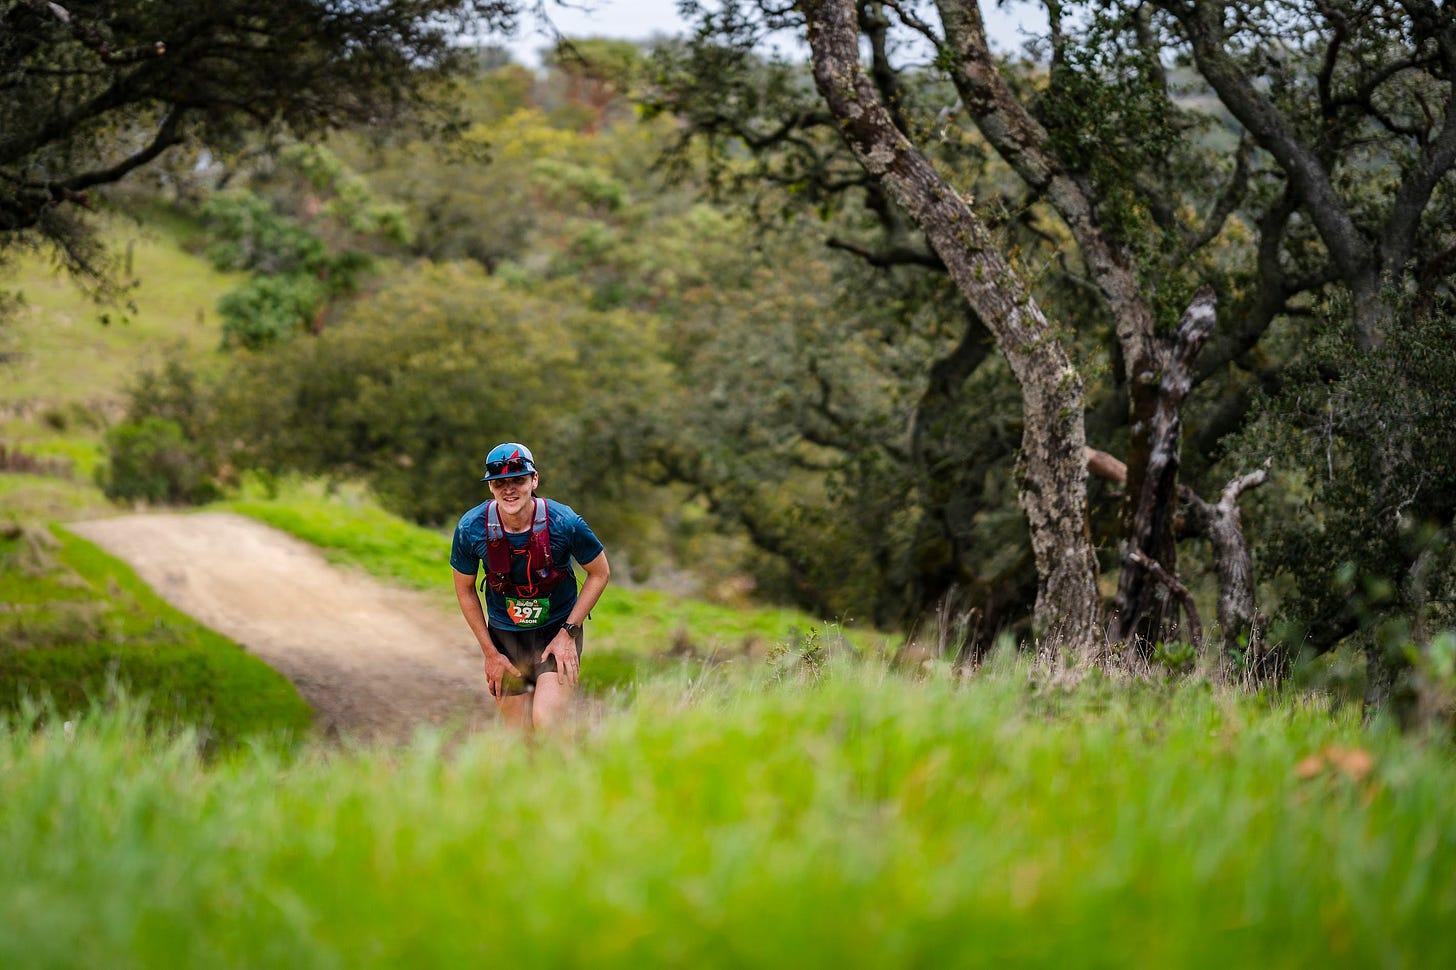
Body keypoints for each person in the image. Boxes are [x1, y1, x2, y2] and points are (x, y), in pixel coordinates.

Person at [450, 442, 610, 730]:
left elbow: (599, 573)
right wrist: (490, 653)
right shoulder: (470, 528)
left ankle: (573, 770)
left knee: (546, 725)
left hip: (556, 633)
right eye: (500, 483)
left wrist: (568, 634)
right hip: (504, 638)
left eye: (518, 480)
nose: (509, 489)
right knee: (520, 735)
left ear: (534, 480)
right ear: (490, 487)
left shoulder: (565, 522)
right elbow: (464, 589)